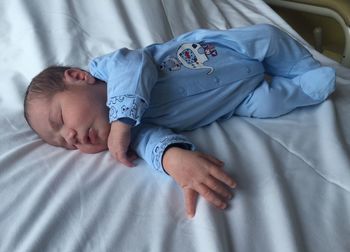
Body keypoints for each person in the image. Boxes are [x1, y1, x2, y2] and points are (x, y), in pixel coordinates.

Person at [24, 24, 336, 218]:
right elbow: (151, 142)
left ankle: (301, 65)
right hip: (240, 97)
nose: (72, 136)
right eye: (65, 143)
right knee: (268, 103)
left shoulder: (110, 69)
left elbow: (136, 66)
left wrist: (122, 120)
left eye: (61, 119)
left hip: (223, 52)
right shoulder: (133, 133)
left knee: (265, 38)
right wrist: (175, 161)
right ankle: (310, 86)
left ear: (78, 77)